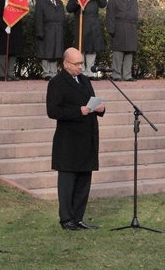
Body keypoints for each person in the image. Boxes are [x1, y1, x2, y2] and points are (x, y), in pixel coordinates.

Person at [46, 47, 105, 231]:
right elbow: (53, 111)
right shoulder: (57, 83)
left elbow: (91, 100)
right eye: (76, 63)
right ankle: (66, 219)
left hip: (87, 138)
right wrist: (77, 111)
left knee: (84, 180)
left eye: (81, 63)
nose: (80, 66)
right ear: (65, 64)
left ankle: (78, 217)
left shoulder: (85, 80)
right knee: (67, 181)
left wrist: (100, 109)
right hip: (69, 141)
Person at [66, 0, 107, 79]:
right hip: (82, 25)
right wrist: (78, 1)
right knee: (82, 49)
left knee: (92, 49)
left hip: (94, 25)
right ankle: (82, 71)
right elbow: (69, 8)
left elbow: (103, 4)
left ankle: (90, 72)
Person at [106, 0, 139, 81]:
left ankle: (127, 75)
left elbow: (135, 12)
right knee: (118, 52)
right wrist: (111, 30)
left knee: (129, 52)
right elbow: (110, 14)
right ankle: (116, 74)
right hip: (119, 27)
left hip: (131, 28)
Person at [35, 0, 65, 80]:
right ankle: (46, 72)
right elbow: (38, 18)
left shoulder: (59, 3)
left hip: (57, 30)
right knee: (46, 52)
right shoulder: (41, 3)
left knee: (55, 52)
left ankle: (53, 72)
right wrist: (39, 32)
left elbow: (62, 17)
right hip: (47, 30)